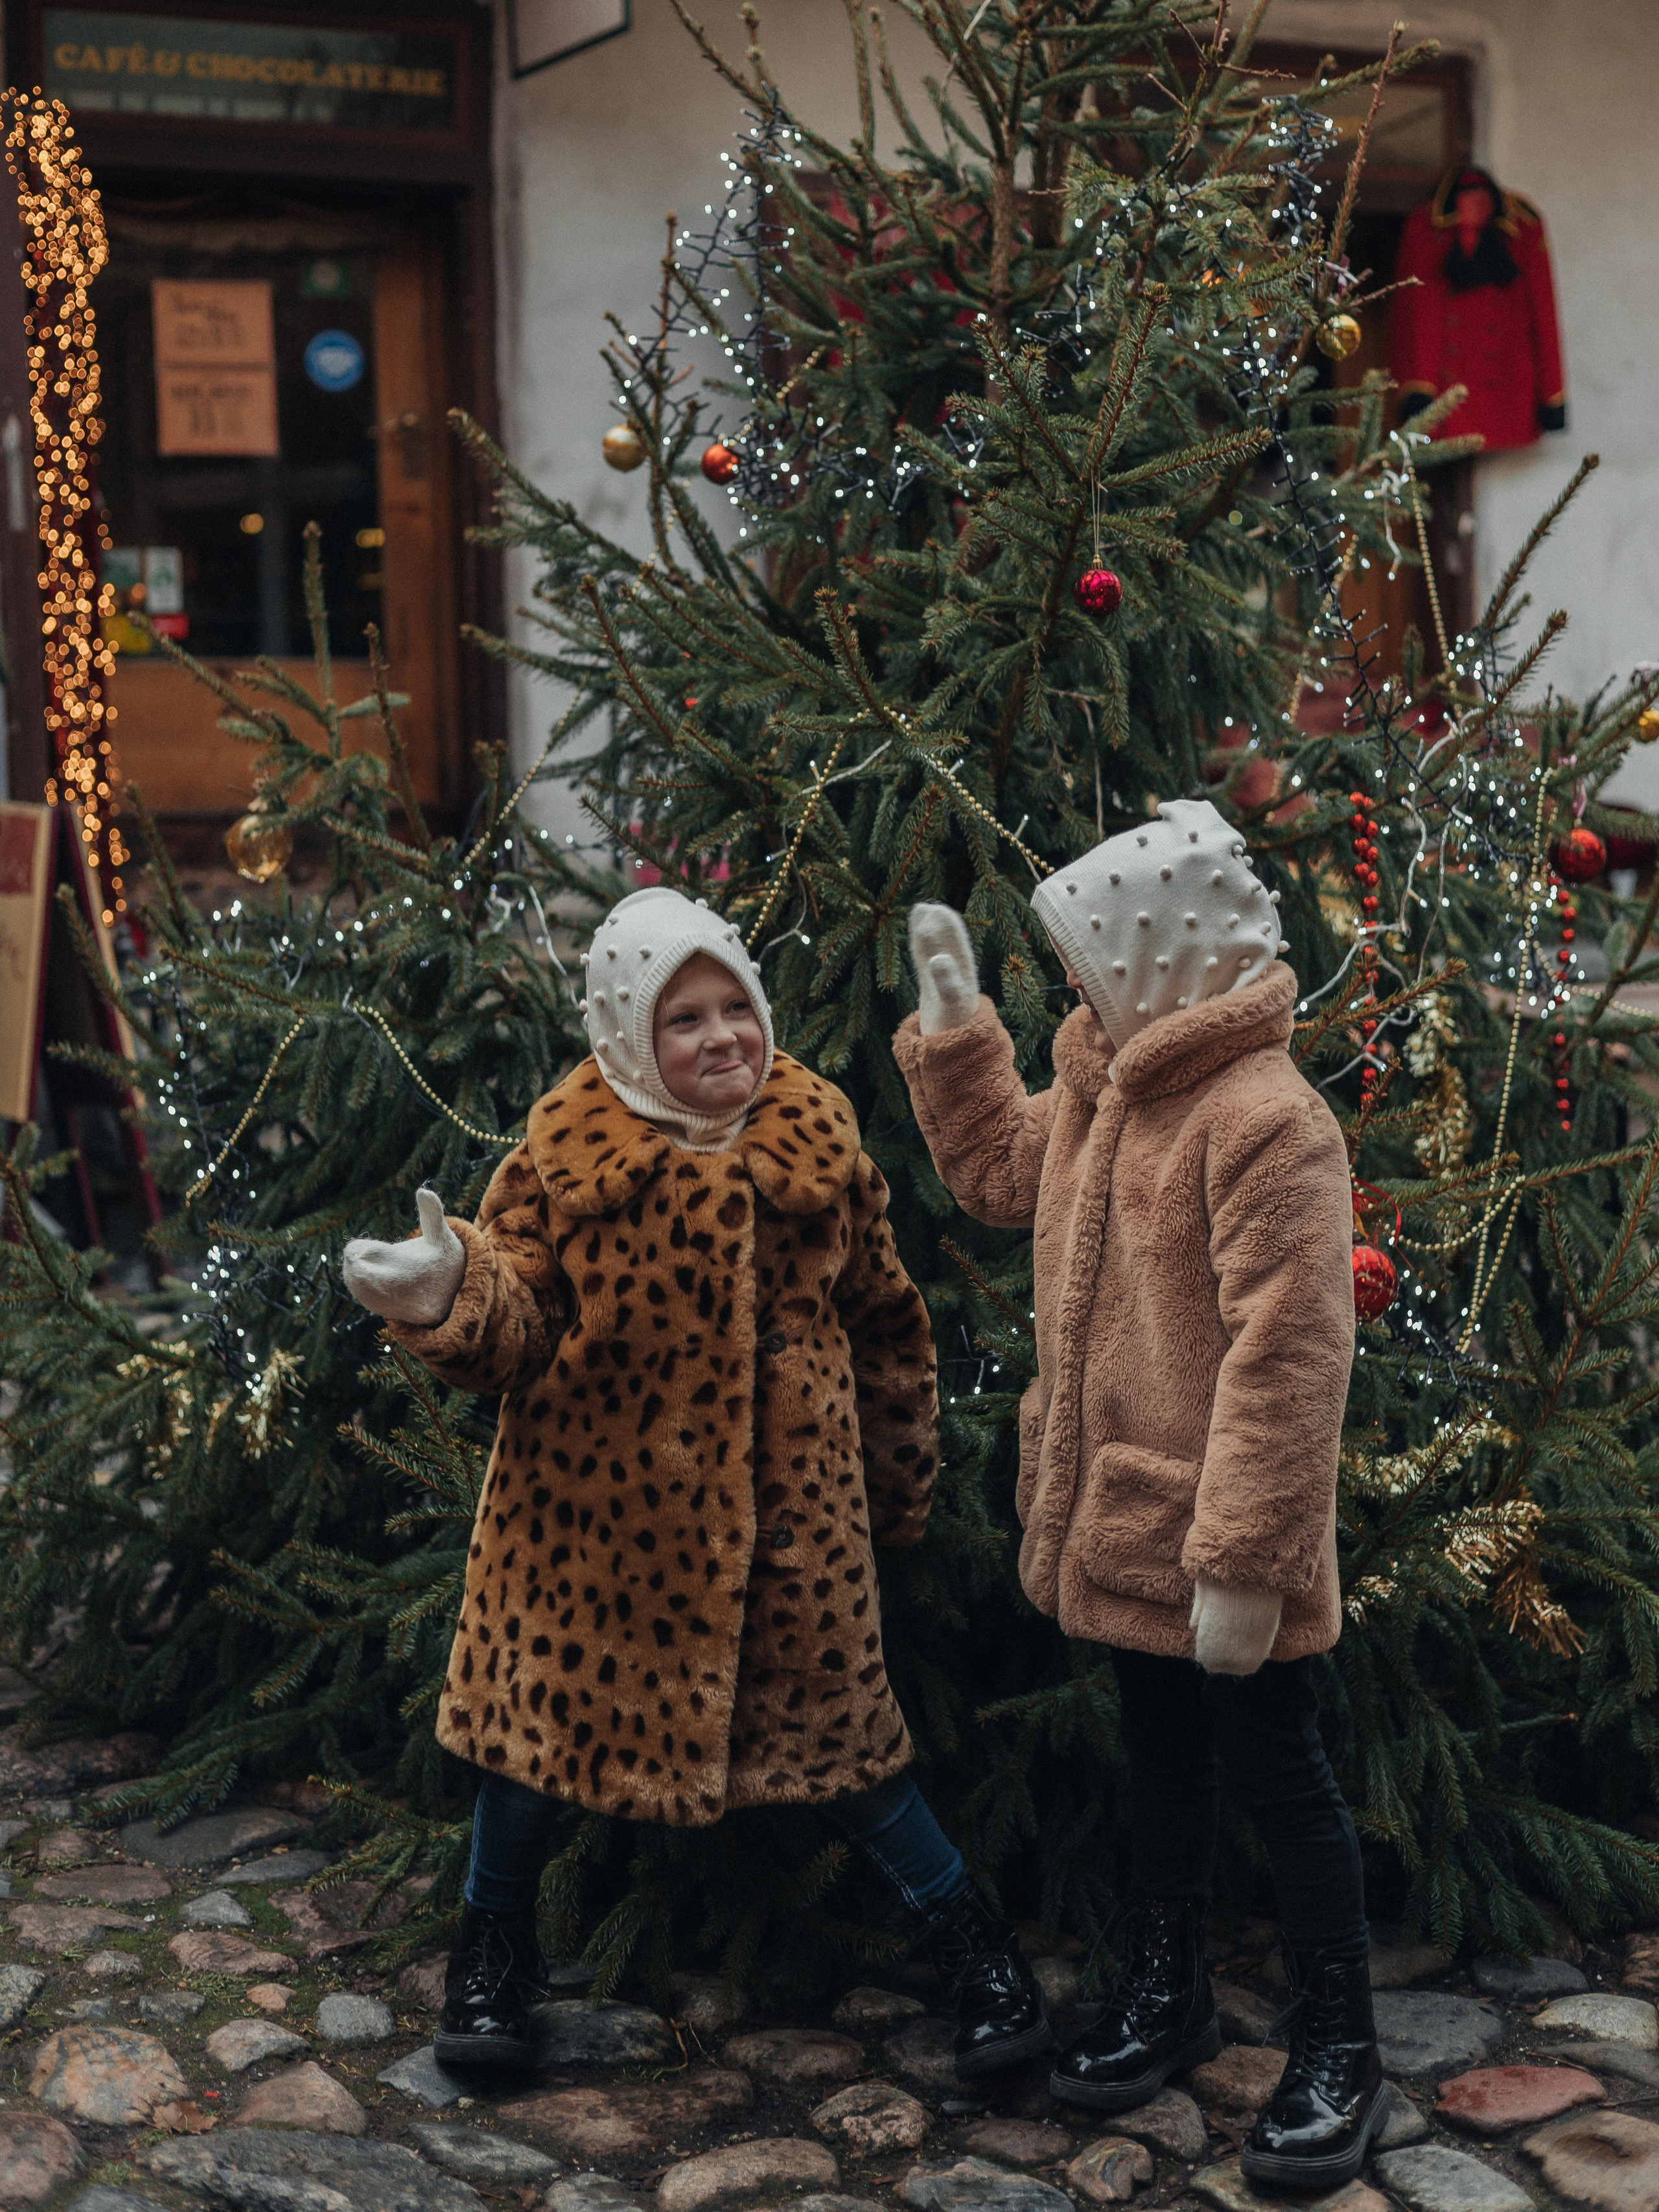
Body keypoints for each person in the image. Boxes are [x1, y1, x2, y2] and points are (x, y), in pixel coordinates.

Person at [342, 885, 1049, 2081]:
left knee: (855, 1753)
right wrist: (449, 1287)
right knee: (530, 1751)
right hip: (589, 1531)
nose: (724, 1036)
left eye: (737, 1007)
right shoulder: (565, 1160)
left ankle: (972, 1945)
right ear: (629, 1035)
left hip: (793, 1535)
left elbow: (887, 1326)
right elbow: (520, 1320)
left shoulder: (817, 1149)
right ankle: (492, 1952)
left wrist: (893, 1492)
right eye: (685, 1019)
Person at [893, 800, 1378, 2193]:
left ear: (1157, 960)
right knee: (1160, 1752)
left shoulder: (1266, 1121)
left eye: (1082, 959)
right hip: (1125, 1512)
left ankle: (1339, 2039)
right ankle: (1169, 1987)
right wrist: (956, 1030)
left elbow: (1294, 1354)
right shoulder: (1107, 1088)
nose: (1067, 984)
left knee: (1282, 1773)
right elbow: (999, 1170)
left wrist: (1244, 1558)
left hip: (1221, 1533)